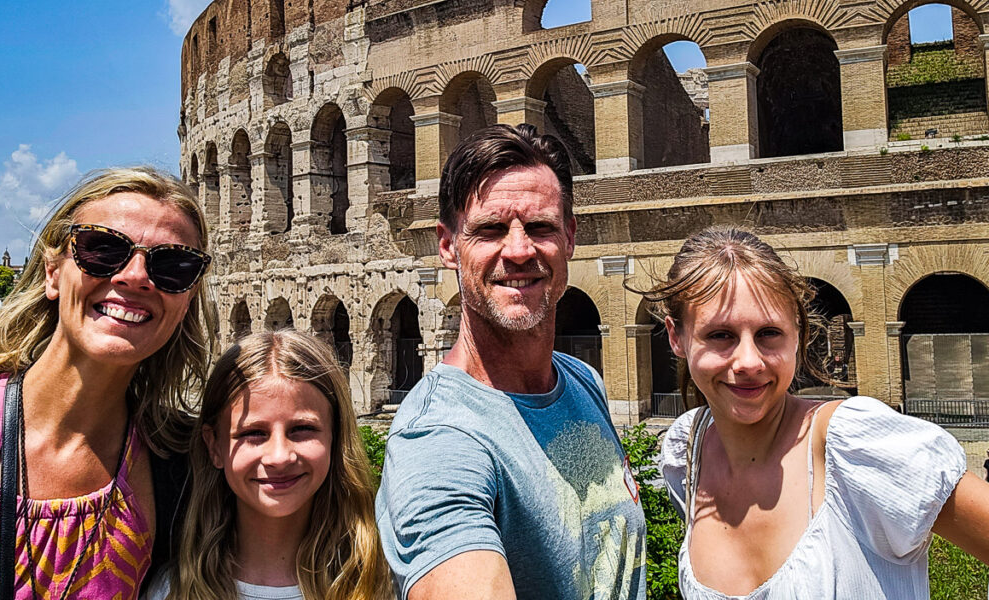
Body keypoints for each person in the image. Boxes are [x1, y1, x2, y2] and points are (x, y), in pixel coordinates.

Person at [376, 124, 647, 600]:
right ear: (447, 246)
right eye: (490, 229)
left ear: (569, 237)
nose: (519, 250)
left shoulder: (582, 381)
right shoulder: (437, 438)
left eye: (540, 227)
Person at [646, 226, 989, 599]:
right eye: (720, 335)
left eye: (768, 333)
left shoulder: (857, 446)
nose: (748, 361)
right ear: (676, 337)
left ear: (797, 333)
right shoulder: (687, 451)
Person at [0, 167, 215, 598]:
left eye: (173, 265)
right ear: (52, 273)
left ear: (187, 298)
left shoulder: (184, 466)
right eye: (102, 250)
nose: (134, 276)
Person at [145, 329, 389, 600]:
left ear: (335, 436)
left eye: (302, 429)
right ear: (214, 445)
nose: (279, 456)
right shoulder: (171, 592)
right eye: (253, 433)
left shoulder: (387, 585)